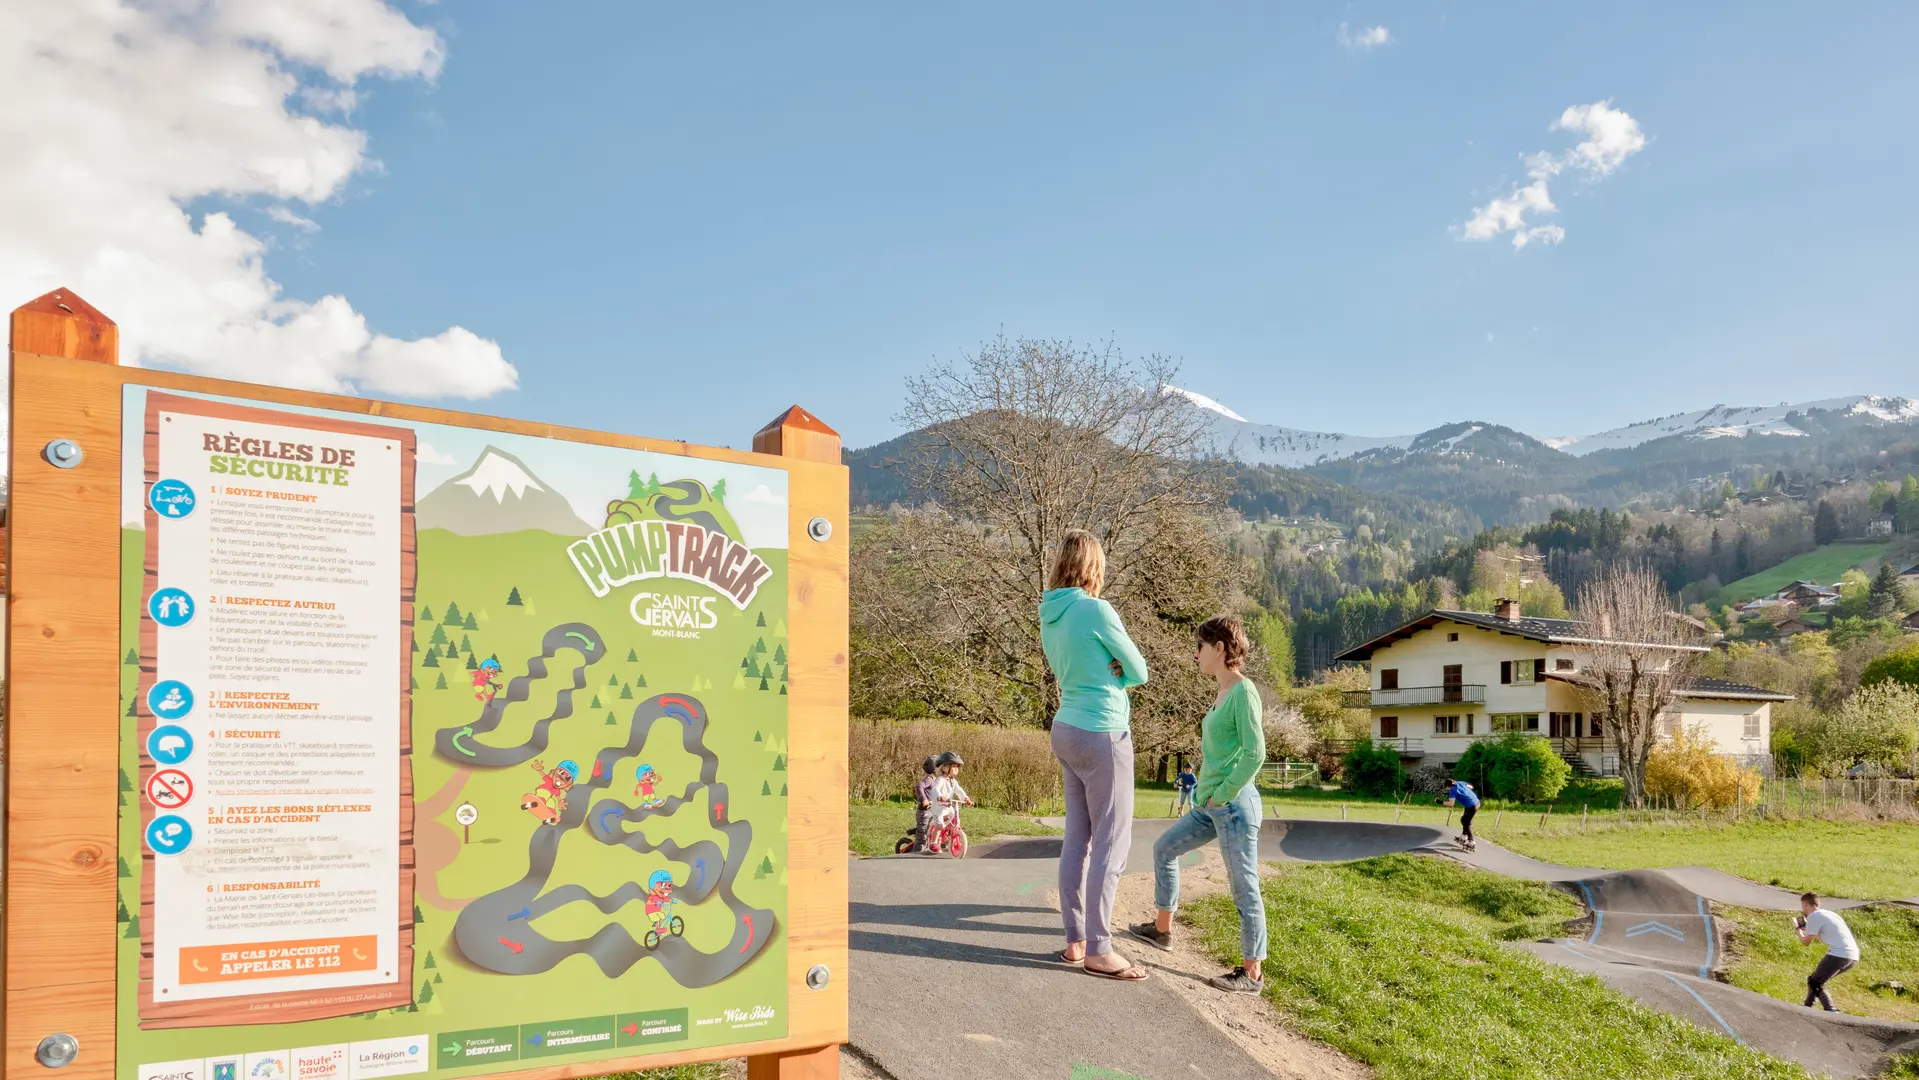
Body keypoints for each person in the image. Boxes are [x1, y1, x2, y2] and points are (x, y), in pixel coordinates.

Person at [1126, 615, 1267, 994]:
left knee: (1243, 886)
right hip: (1210, 805)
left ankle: (1252, 974)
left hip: (1234, 807)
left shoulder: (1243, 690)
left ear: (1220, 648)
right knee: (1165, 848)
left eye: (1201, 647)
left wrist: (1223, 793)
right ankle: (1161, 931)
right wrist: (1210, 796)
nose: (1196, 654)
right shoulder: (1222, 693)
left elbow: (1256, 754)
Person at [1041, 529, 1150, 980]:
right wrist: (1118, 672)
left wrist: (1110, 669)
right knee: (1111, 839)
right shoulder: (1096, 610)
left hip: (1065, 726)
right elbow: (1140, 671)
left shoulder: (1049, 613)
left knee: (1077, 839)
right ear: (1093, 566)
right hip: (1103, 730)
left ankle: (1075, 941)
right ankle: (1100, 949)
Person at [1795, 892, 1860, 1011]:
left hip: (1839, 954)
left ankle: (1831, 1010)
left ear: (1805, 904)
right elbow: (1822, 938)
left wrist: (1799, 933)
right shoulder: (1830, 914)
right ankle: (1807, 1006)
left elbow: (1806, 943)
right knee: (1815, 979)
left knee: (1815, 982)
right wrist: (1809, 931)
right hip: (1852, 956)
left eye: (1802, 905)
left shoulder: (1813, 916)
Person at [927, 751, 973, 850]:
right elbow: (935, 789)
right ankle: (934, 843)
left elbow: (959, 790)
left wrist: (965, 798)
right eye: (954, 767)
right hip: (938, 808)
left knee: (953, 816)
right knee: (939, 826)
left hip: (947, 807)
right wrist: (940, 797)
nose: (956, 769)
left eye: (957, 767)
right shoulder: (940, 780)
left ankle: (949, 833)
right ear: (945, 768)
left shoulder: (953, 781)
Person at [1437, 777, 1479, 851]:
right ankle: (1463, 837)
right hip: (1475, 802)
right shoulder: (1460, 782)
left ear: (1448, 786)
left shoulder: (1452, 791)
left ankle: (1472, 842)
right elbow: (1471, 787)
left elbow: (1451, 804)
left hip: (1471, 806)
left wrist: (1440, 802)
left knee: (1467, 823)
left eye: (1447, 788)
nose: (1447, 789)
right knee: (1463, 820)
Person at [912, 754, 940, 852]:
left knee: (930, 833)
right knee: (922, 837)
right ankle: (915, 855)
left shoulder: (936, 781)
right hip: (925, 812)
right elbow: (919, 787)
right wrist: (924, 799)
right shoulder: (928, 779)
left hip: (932, 811)